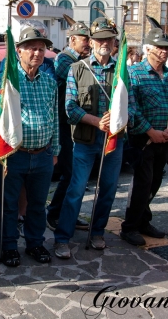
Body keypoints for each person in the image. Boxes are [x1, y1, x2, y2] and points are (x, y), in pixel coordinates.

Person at [53, 17, 135, 257]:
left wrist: (120, 120)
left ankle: (97, 232)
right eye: (99, 39)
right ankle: (62, 238)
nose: (104, 43)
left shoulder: (122, 70)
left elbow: (131, 104)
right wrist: (96, 121)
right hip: (85, 140)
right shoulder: (76, 69)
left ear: (114, 42)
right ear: (91, 41)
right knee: (76, 189)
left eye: (109, 39)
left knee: (108, 188)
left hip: (113, 140)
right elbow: (70, 107)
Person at [0, 26, 60, 266]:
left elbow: (55, 117)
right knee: (9, 204)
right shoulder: (6, 80)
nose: (37, 53)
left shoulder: (49, 82)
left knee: (37, 205)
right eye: (31, 48)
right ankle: (8, 247)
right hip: (14, 155)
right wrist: (8, 127)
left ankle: (35, 243)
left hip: (43, 154)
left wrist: (55, 150)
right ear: (18, 50)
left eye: (41, 49)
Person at [120, 28, 168, 247]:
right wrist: (150, 131)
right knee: (142, 183)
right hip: (143, 140)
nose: (165, 51)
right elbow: (131, 108)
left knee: (155, 182)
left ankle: (143, 221)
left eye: (166, 48)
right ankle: (129, 227)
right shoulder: (135, 73)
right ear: (148, 49)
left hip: (165, 140)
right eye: (160, 47)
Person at [47, 21, 90, 231]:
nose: (88, 43)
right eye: (85, 39)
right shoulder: (65, 59)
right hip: (65, 125)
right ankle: (55, 213)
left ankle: (69, 213)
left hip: (77, 124)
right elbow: (83, 79)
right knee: (70, 172)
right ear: (72, 40)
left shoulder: (81, 60)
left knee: (77, 174)